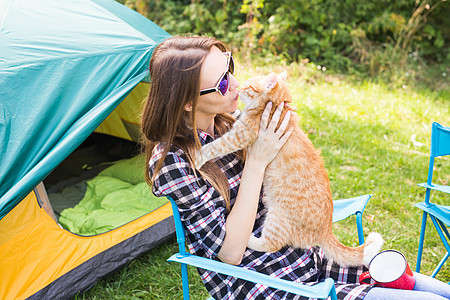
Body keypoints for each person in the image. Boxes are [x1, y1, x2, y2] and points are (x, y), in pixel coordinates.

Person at [141, 35, 450, 300]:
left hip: (303, 255)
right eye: (222, 83)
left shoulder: (230, 123)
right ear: (188, 103)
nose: (235, 84)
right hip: (263, 281)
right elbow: (229, 254)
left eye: (229, 67)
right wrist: (258, 161)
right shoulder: (173, 161)